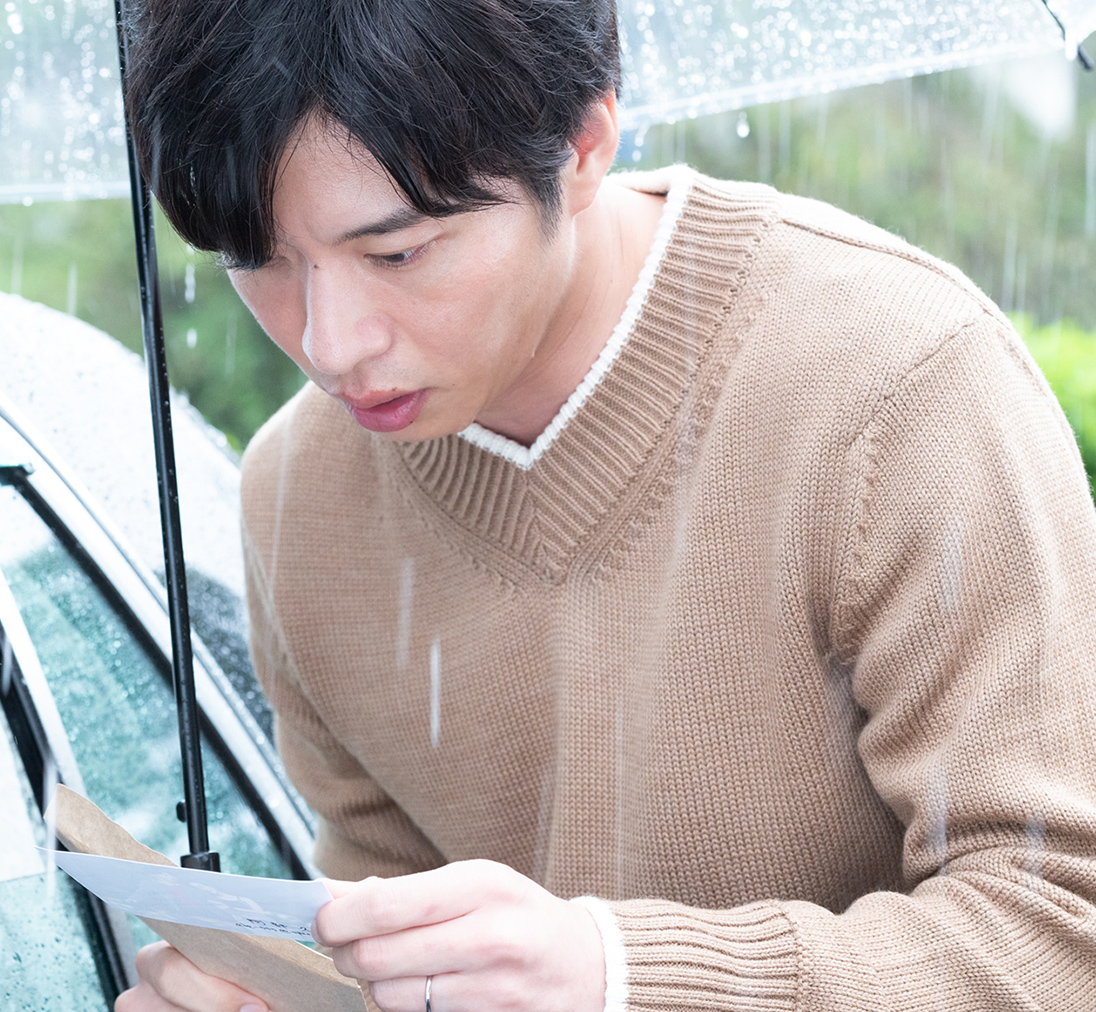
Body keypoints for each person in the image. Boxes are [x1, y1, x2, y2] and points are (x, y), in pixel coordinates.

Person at [117, 1, 1096, 1010]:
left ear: (584, 142)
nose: (329, 343)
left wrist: (622, 977)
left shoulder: (899, 386)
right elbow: (399, 954)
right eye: (258, 261)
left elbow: (1060, 933)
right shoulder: (298, 497)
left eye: (397, 253)